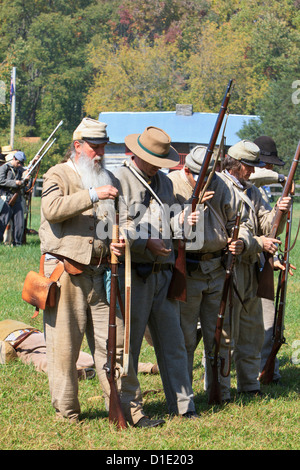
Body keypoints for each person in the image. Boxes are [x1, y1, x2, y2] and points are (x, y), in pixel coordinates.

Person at [39, 117, 163, 427]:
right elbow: (52, 209)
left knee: (116, 347)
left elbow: (127, 221)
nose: (100, 153)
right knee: (64, 350)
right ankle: (67, 415)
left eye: (104, 147)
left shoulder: (109, 178)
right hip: (68, 275)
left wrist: (122, 239)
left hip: (104, 275)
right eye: (94, 147)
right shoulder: (59, 174)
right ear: (78, 146)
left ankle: (128, 411)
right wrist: (94, 195)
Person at [114, 126, 200, 419]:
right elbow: (112, 226)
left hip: (164, 273)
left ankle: (183, 406)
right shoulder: (119, 180)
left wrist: (185, 220)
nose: (158, 168)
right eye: (154, 160)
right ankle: (129, 408)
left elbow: (173, 222)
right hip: (133, 274)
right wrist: (144, 241)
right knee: (130, 346)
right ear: (138, 155)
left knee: (173, 343)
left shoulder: (164, 183)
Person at [168, 145, 253, 403]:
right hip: (188, 269)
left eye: (209, 175)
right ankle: (185, 397)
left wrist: (242, 242)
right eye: (199, 176)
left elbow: (241, 221)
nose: (205, 181)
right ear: (187, 170)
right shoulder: (172, 185)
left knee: (220, 335)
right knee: (185, 338)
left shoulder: (222, 185)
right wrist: (185, 216)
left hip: (217, 268)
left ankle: (220, 392)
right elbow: (159, 224)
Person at [220, 139, 291, 395]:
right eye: (248, 166)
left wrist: (280, 212)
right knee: (226, 333)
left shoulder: (251, 190)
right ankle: (221, 388)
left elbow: (265, 224)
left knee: (251, 332)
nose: (252, 171)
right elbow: (231, 232)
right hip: (227, 268)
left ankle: (250, 385)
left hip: (251, 266)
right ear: (236, 164)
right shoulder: (221, 187)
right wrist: (259, 243)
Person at [251, 136, 296, 383]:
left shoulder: (259, 190)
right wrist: (282, 179)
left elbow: (266, 228)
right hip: (240, 259)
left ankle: (268, 371)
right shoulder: (243, 183)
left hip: (259, 258)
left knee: (268, 323)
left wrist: (275, 257)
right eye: (266, 164)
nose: (269, 169)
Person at [0, 319, 95, 380]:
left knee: (40, 360)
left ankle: (73, 372)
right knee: (65, 351)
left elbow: (7, 351)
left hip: (19, 344)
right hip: (37, 335)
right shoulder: (9, 322)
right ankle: (98, 361)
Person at [0, 150, 28, 246]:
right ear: (14, 159)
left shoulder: (20, 169)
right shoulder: (5, 168)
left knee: (19, 223)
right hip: (7, 197)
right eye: (18, 162)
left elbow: (26, 178)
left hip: (17, 197)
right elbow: (1, 181)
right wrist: (15, 182)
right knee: (3, 221)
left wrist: (26, 179)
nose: (20, 164)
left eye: (21, 163)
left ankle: (17, 243)